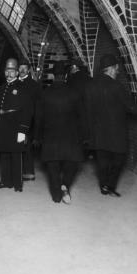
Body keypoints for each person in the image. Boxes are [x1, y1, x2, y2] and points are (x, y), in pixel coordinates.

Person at [85, 54, 137, 197]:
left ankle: (104, 185)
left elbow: (87, 110)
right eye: (116, 68)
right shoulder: (117, 87)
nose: (118, 71)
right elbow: (132, 108)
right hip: (117, 133)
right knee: (119, 159)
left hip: (98, 132)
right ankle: (110, 185)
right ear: (110, 69)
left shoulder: (91, 86)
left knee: (102, 161)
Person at [34, 61, 86, 204]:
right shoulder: (75, 93)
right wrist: (84, 137)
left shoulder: (45, 94)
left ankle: (56, 195)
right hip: (71, 137)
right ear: (66, 75)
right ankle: (65, 185)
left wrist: (36, 137)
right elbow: (82, 117)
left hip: (51, 137)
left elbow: (38, 118)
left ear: (52, 75)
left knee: (52, 166)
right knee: (71, 164)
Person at [0, 58, 34, 193]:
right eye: (7, 71)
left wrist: (23, 130)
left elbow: (28, 111)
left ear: (16, 73)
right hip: (2, 127)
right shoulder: (3, 87)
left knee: (16, 156)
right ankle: (5, 181)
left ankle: (17, 184)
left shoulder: (22, 88)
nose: (9, 74)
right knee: (3, 155)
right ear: (4, 72)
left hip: (16, 127)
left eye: (12, 71)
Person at [18, 61, 41, 181]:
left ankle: (28, 172)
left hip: (29, 119)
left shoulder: (34, 85)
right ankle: (17, 171)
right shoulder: (13, 83)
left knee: (26, 146)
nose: (22, 70)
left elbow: (37, 105)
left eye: (24, 68)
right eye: (20, 67)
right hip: (15, 119)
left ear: (28, 70)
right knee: (16, 145)